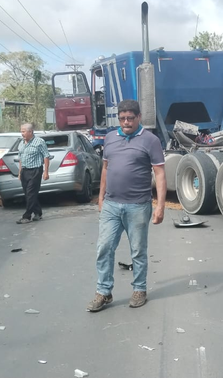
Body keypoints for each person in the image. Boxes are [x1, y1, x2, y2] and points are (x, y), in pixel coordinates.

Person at [87, 99, 166, 312]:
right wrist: (101, 197)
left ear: (138, 117)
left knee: (138, 251)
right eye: (122, 118)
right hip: (112, 204)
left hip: (138, 205)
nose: (126, 122)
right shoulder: (110, 138)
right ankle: (104, 292)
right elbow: (105, 168)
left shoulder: (150, 140)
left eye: (130, 118)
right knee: (104, 247)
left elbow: (159, 173)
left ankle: (139, 289)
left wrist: (160, 206)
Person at [16, 123, 50, 224]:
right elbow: (21, 159)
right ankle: (38, 212)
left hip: (35, 171)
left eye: (23, 131)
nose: (22, 133)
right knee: (28, 194)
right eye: (21, 131)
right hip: (24, 172)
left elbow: (46, 156)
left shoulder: (39, 142)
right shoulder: (21, 143)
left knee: (31, 193)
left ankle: (27, 216)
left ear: (30, 132)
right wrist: (19, 172)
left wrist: (46, 172)